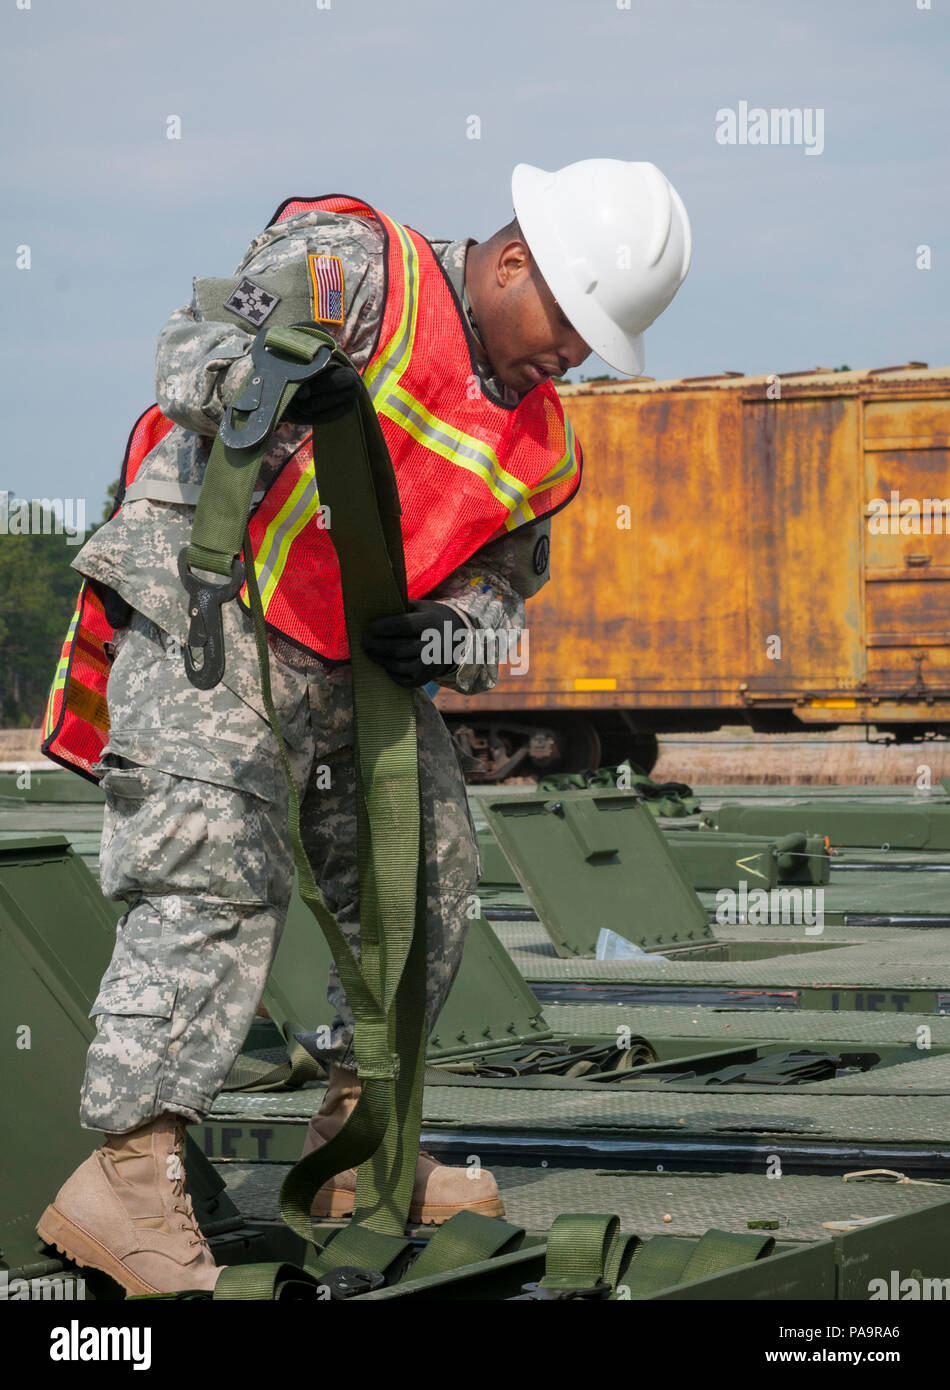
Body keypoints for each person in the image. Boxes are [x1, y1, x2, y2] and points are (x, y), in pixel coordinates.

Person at [36, 159, 691, 1295]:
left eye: (597, 342)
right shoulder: (357, 265)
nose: (572, 356)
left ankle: (359, 1144)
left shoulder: (544, 447)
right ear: (512, 259)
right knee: (212, 877)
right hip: (216, 609)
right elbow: (193, 349)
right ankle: (128, 1180)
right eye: (571, 320)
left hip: (346, 674)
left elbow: (500, 597)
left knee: (427, 876)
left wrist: (449, 635)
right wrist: (280, 378)